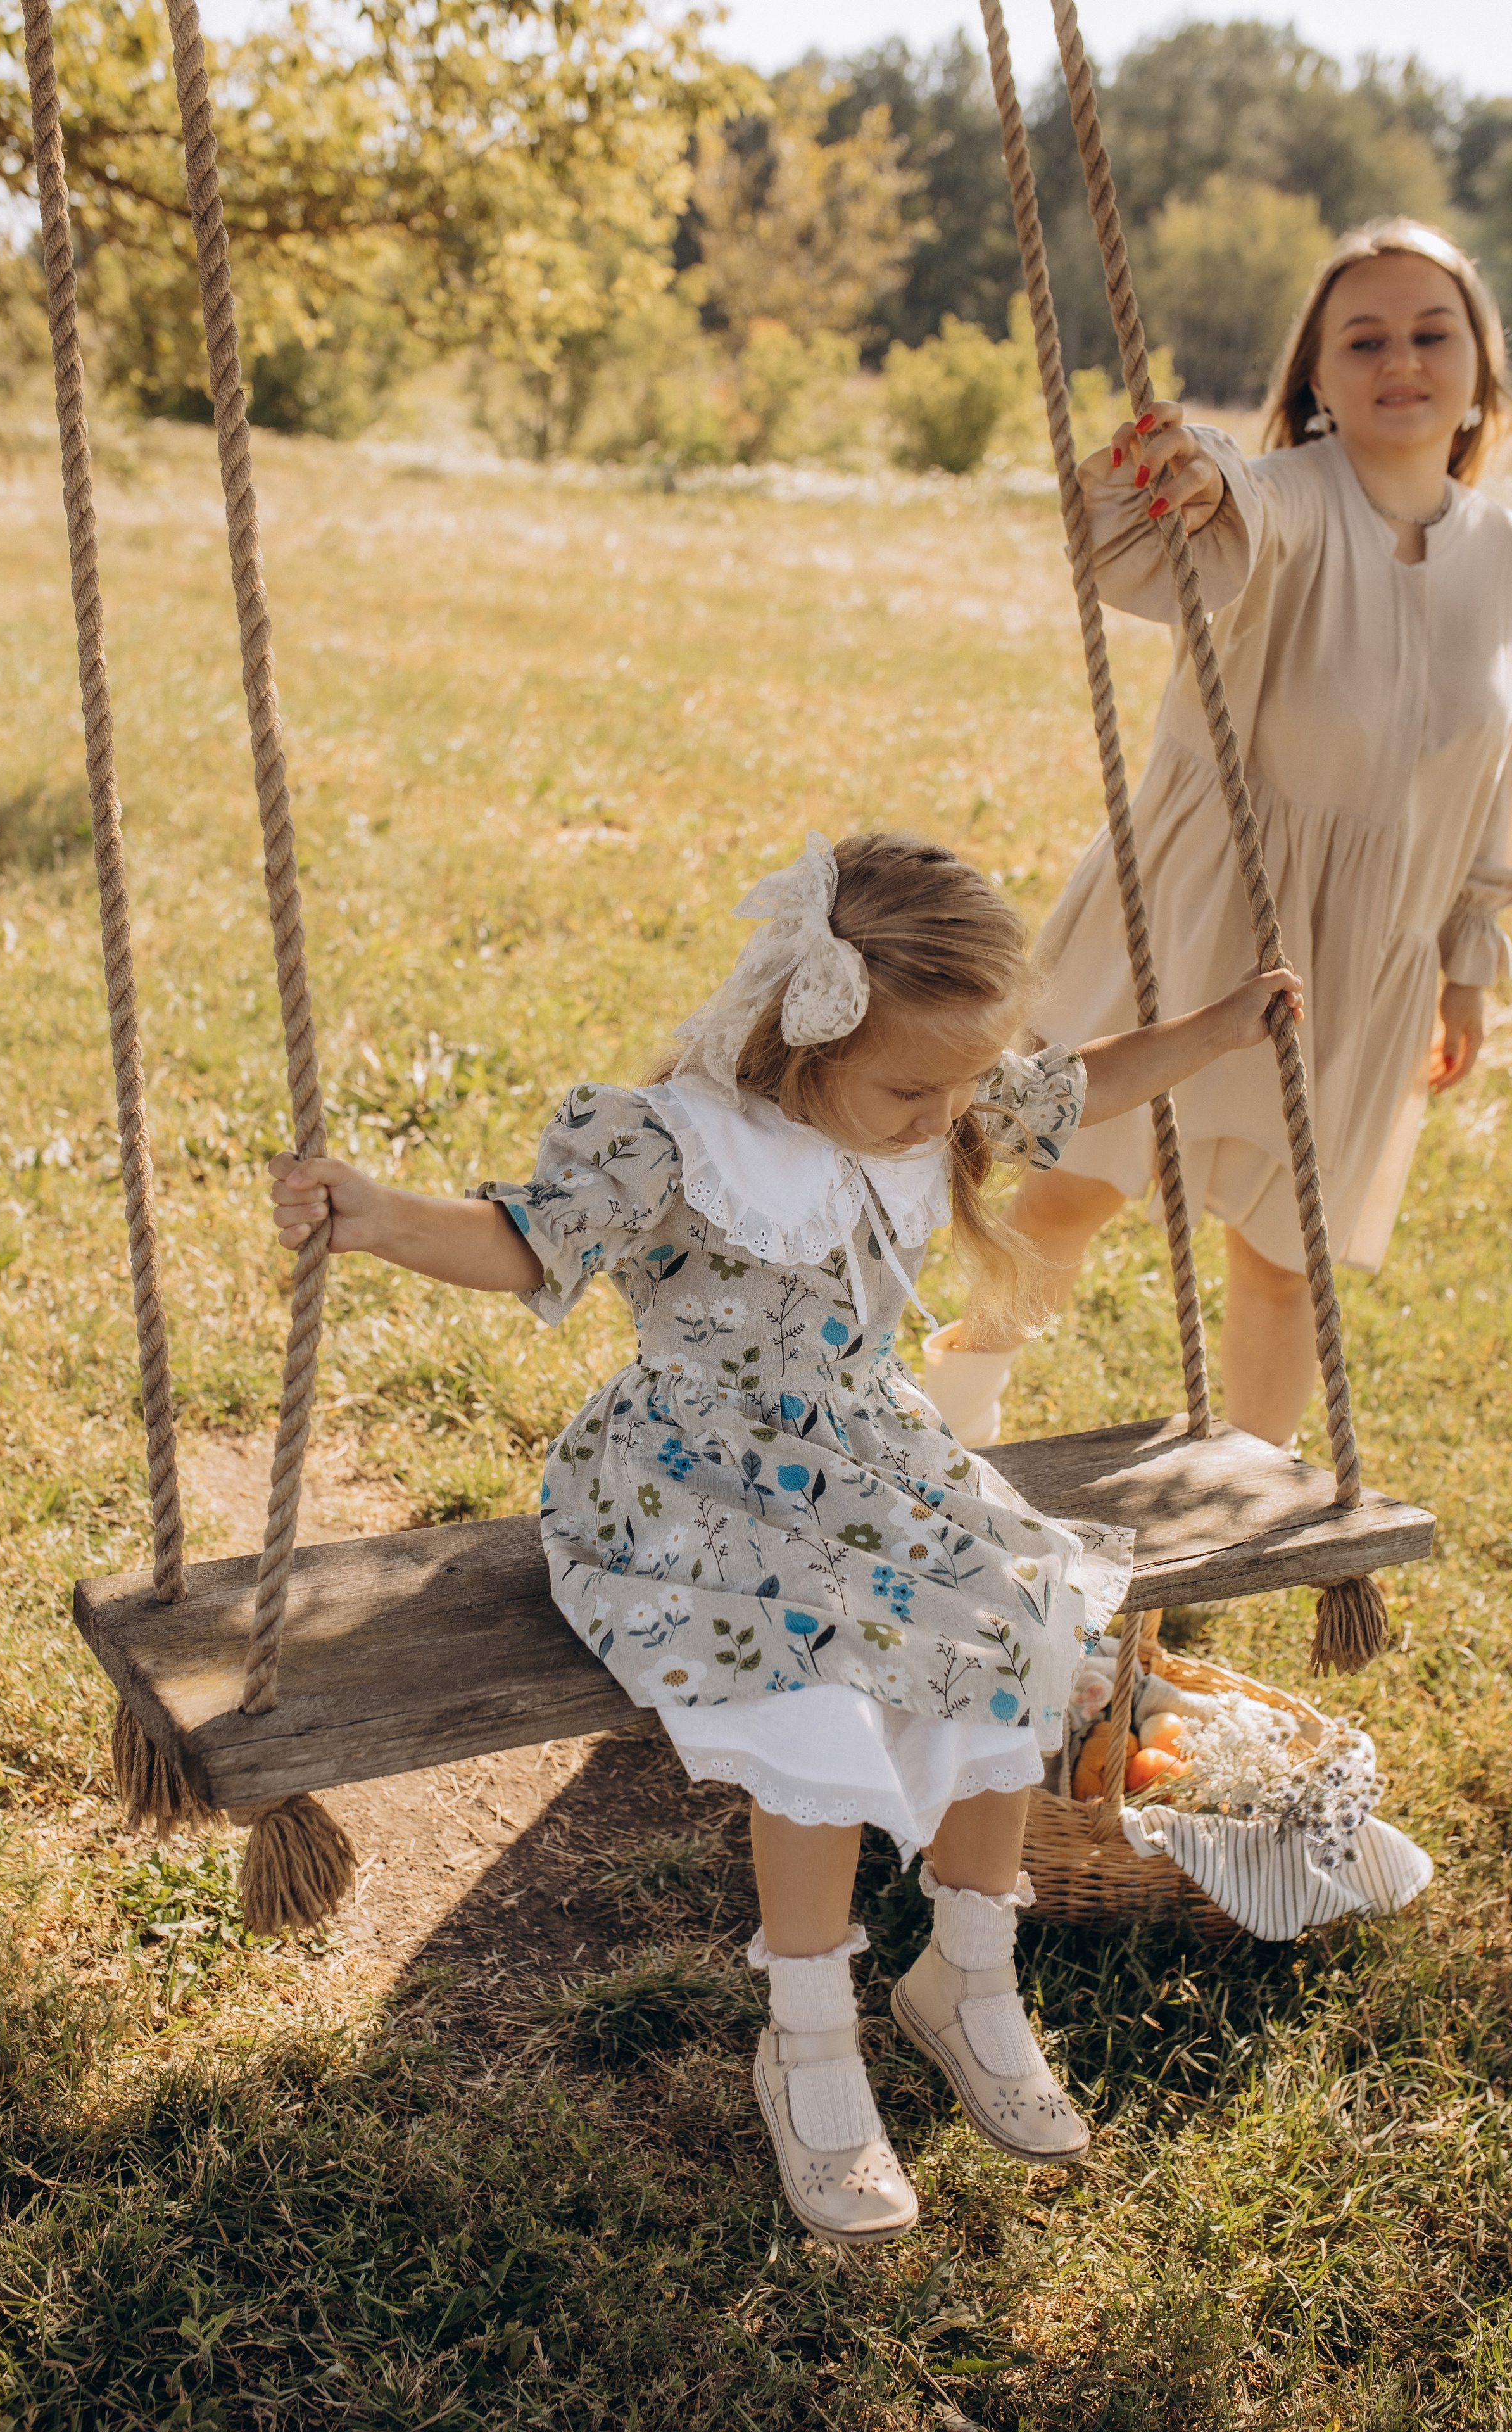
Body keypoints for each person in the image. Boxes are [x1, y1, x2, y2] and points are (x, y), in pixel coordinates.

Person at [268, 833, 1301, 2244]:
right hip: (692, 1480)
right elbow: (525, 1240)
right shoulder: (676, 1142)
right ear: (802, 1034)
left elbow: (1083, 1083)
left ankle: (967, 1976)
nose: (946, 1117)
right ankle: (809, 2038)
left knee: (1018, 1626)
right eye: (910, 1090)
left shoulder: (924, 1096)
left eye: (957, 1088)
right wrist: (381, 1218)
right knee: (810, 1699)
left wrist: (1224, 1024)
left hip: (869, 1461)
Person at [933, 219, 1512, 1454]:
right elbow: (1227, 500)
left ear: (1478, 367)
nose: (1397, 360)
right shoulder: (1286, 500)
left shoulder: (1500, 554)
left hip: (1364, 955)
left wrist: (1468, 956)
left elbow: (1489, 769)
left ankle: (1242, 1512)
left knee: (1285, 1257)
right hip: (1208, 915)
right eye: (1362, 339)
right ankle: (942, 1422)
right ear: (1314, 374)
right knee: (1075, 1186)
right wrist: (1188, 466)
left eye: (1429, 333)